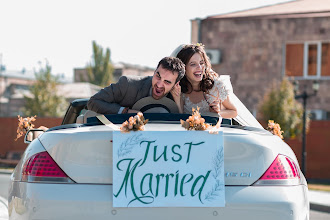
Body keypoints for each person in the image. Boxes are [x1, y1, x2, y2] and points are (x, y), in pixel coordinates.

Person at [87, 56, 185, 114]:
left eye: (167, 82)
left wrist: (177, 101)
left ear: (175, 84)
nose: (159, 84)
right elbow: (93, 102)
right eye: (158, 76)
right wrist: (125, 111)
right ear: (154, 72)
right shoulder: (128, 84)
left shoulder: (177, 96)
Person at [170, 43, 237, 118]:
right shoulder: (179, 89)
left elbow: (234, 112)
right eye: (193, 64)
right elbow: (180, 117)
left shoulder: (217, 86)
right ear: (183, 68)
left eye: (201, 63)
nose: (199, 68)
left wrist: (217, 113)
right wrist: (177, 98)